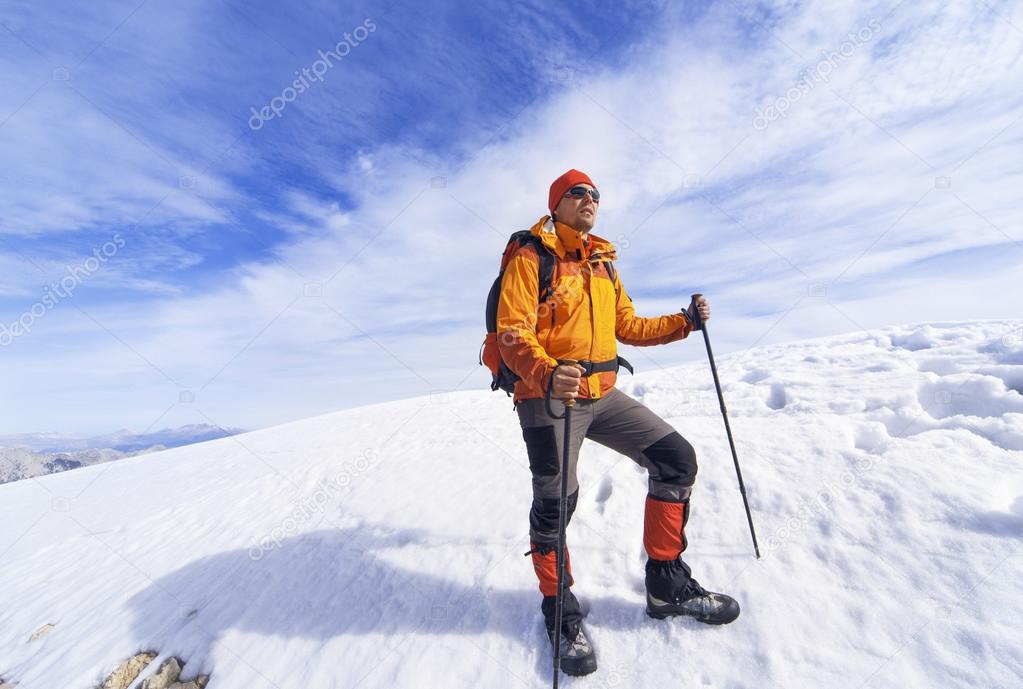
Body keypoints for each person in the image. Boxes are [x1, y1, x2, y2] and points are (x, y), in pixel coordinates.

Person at [496, 169, 740, 677]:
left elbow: (626, 326)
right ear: (557, 203)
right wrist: (545, 373)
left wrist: (684, 323)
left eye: (596, 195)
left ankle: (666, 584)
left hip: (601, 394)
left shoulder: (602, 264)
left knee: (676, 460)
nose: (590, 200)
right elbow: (511, 333)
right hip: (548, 398)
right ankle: (558, 607)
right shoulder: (531, 255)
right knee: (555, 499)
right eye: (578, 193)